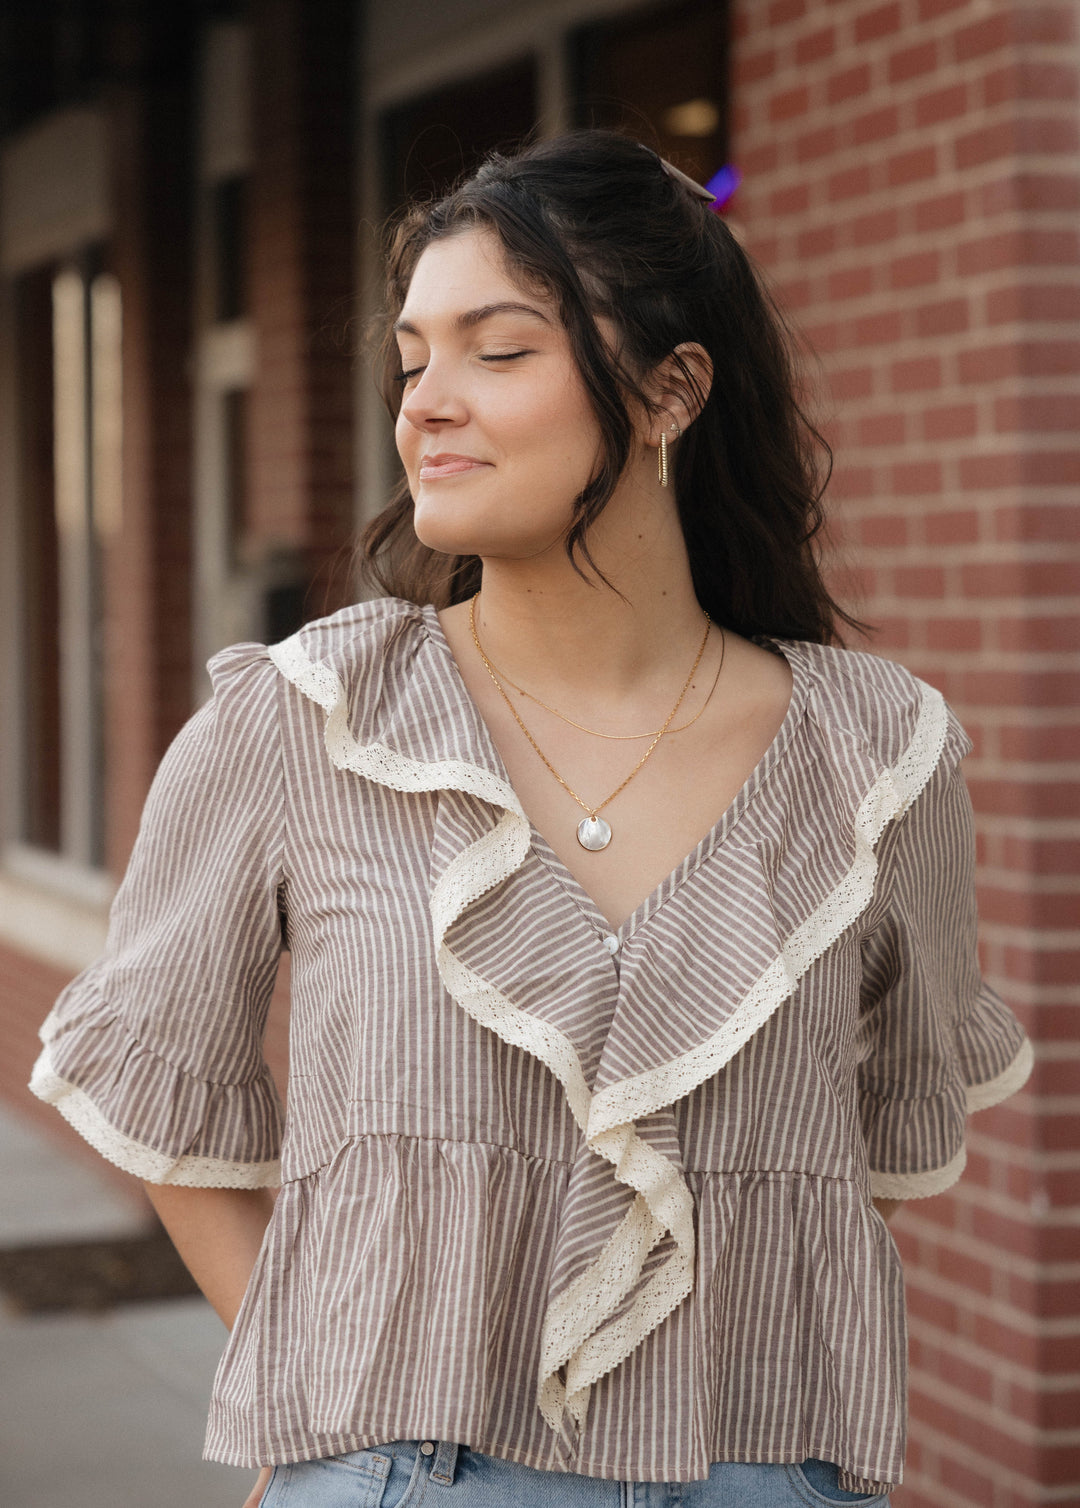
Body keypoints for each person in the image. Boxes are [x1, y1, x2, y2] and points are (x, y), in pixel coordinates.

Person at [30, 131, 1032, 1507]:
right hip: (401, 1468)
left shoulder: (877, 755)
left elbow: (867, 1160)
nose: (426, 404)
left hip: (757, 1470)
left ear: (673, 390)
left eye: (496, 352)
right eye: (411, 360)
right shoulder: (307, 718)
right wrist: (318, 1415)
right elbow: (155, 1089)